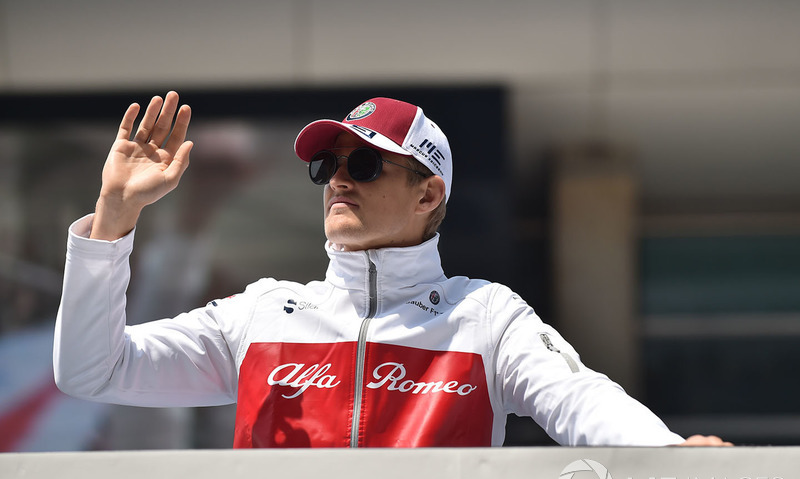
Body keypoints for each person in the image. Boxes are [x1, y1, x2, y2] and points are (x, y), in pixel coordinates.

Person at [53, 92, 728, 447]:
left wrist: (669, 453)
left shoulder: (485, 317)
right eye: (329, 164)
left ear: (428, 192)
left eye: (365, 163)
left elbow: (580, 398)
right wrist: (113, 214)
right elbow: (91, 370)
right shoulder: (260, 312)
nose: (338, 180)